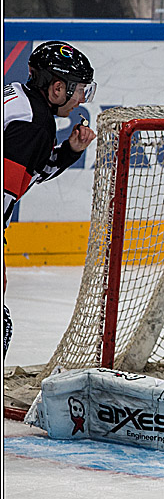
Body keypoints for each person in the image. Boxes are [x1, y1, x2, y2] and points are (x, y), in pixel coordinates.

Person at [4, 40, 97, 357]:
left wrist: (69, 151)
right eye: (79, 89)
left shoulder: (19, 97)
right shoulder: (34, 124)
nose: (82, 99)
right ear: (58, 88)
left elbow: (27, 171)